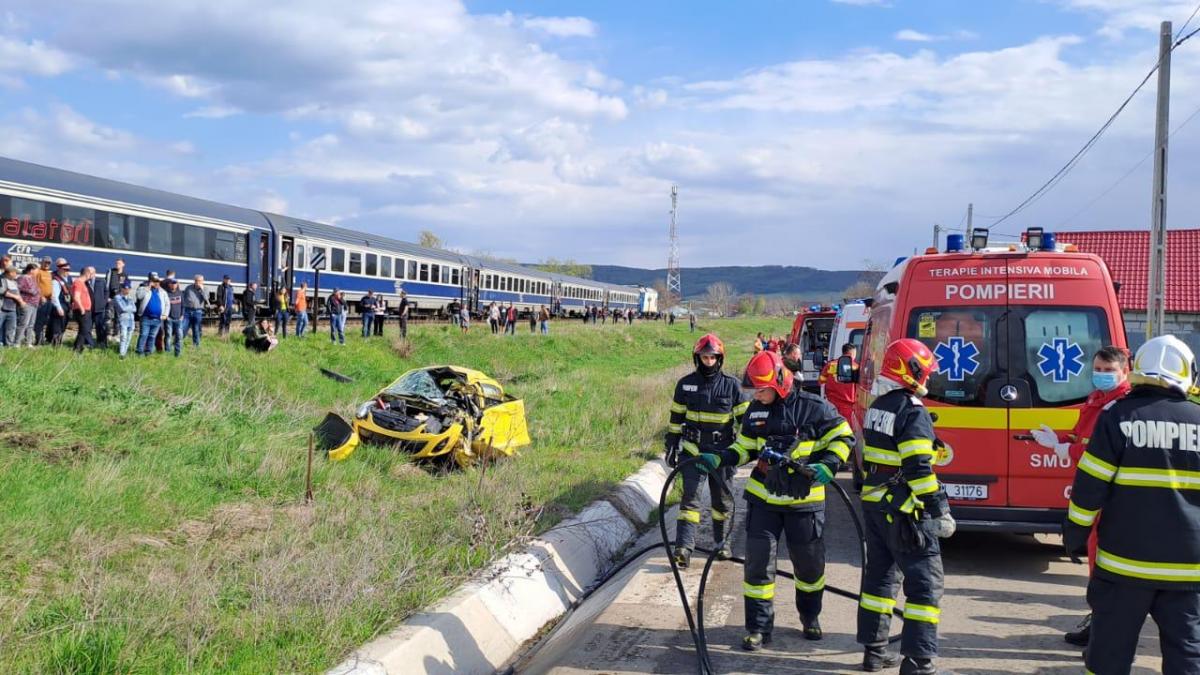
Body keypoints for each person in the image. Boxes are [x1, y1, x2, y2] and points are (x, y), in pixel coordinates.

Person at [695, 349, 853, 650]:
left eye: (762, 389)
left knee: (809, 569)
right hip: (763, 502)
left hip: (804, 503)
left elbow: (844, 437)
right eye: (754, 389)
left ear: (780, 382)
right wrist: (721, 458)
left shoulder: (815, 408)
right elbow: (745, 449)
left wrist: (830, 464)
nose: (757, 395)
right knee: (757, 568)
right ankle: (758, 628)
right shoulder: (755, 411)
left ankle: (810, 617)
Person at [1064, 335, 1200, 674]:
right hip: (1188, 569)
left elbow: (1089, 485)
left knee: (1109, 654)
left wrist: (1075, 535)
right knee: (1186, 656)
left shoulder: (1119, 416)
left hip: (1123, 566)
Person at [856, 339, 953, 674]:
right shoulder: (912, 411)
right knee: (925, 585)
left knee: (880, 581)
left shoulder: (879, 405)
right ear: (910, 370)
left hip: (875, 503)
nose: (928, 375)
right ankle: (918, 663)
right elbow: (918, 469)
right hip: (906, 511)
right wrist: (938, 508)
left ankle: (874, 652)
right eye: (924, 369)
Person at [1030, 345, 1131, 647]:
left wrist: (1065, 450)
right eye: (1098, 370)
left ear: (1125, 372)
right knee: (1095, 561)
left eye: (1108, 371)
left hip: (1109, 496)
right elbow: (1081, 436)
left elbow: (1101, 450)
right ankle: (1098, 620)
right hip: (1094, 491)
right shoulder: (1097, 399)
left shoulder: (1120, 406)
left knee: (1103, 563)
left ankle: (1102, 627)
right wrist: (1057, 440)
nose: (1101, 376)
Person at [665, 334, 750, 566]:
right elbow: (676, 417)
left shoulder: (732, 385)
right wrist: (671, 444)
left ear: (720, 358)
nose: (708, 360)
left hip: (721, 455)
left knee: (722, 502)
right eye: (704, 356)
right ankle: (683, 547)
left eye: (713, 357)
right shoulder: (685, 384)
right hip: (692, 451)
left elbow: (747, 422)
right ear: (697, 357)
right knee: (689, 501)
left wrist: (746, 449)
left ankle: (722, 545)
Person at [818, 343, 859, 422]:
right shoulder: (856, 367)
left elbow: (821, 381)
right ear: (851, 353)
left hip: (832, 404)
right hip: (848, 406)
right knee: (846, 429)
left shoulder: (830, 365)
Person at [135, 273, 169, 356]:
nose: (156, 283)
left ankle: (148, 352)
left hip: (157, 319)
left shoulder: (162, 292)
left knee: (152, 336)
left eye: (158, 281)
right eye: (154, 281)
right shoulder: (143, 288)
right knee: (143, 335)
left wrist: (165, 314)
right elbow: (139, 296)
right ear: (150, 281)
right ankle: (139, 352)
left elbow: (167, 304)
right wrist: (148, 287)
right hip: (146, 317)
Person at [70, 266, 96, 353]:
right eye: (91, 274)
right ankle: (77, 349)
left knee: (84, 330)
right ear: (87, 273)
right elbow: (76, 297)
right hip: (82, 310)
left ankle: (77, 347)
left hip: (86, 309)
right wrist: (82, 309)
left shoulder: (83, 283)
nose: (92, 276)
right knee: (85, 330)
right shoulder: (78, 282)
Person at [48, 259, 72, 346]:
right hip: (60, 306)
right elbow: (54, 296)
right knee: (57, 326)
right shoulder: (55, 279)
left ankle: (58, 342)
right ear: (60, 269)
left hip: (66, 305)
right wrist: (58, 307)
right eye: (66, 270)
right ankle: (55, 344)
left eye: (68, 270)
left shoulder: (68, 278)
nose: (68, 271)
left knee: (63, 326)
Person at [15, 263, 39, 347]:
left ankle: (28, 343)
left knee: (31, 324)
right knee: (23, 323)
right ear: (31, 270)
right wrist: (30, 291)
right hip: (27, 303)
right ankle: (17, 342)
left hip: (34, 304)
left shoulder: (33, 279)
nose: (37, 272)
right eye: (36, 270)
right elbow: (17, 288)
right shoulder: (22, 278)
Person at [181, 275, 207, 348]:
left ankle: (196, 345)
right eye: (197, 281)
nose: (198, 282)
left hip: (197, 311)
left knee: (196, 329)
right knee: (183, 327)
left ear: (202, 281)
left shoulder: (205, 289)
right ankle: (178, 343)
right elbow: (183, 298)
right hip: (187, 311)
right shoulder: (188, 288)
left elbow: (206, 299)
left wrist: (202, 290)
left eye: (200, 281)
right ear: (194, 281)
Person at [0, 266, 23, 346]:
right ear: (10, 273)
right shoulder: (2, 280)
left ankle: (8, 344)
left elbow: (18, 293)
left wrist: (20, 301)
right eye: (15, 273)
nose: (16, 275)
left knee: (11, 327)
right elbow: (2, 291)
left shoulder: (15, 282)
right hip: (2, 308)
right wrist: (15, 296)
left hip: (12, 309)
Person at [32, 257, 53, 344]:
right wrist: (40, 296)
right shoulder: (38, 272)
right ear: (42, 262)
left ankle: (42, 338)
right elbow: (35, 285)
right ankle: (38, 340)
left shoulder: (49, 274)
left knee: (45, 320)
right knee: (39, 320)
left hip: (49, 300)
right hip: (42, 300)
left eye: (49, 263)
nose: (47, 264)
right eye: (46, 262)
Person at [114, 281, 136, 358]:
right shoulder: (117, 297)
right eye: (126, 288)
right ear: (122, 288)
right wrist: (130, 308)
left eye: (129, 288)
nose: (128, 290)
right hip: (123, 319)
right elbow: (122, 308)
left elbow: (135, 309)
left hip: (131, 319)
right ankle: (121, 353)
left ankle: (125, 352)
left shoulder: (130, 298)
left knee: (129, 337)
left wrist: (129, 308)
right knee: (123, 337)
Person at [106, 258, 128, 337]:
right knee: (109, 317)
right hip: (111, 298)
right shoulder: (111, 272)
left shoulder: (125, 275)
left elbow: (126, 287)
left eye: (119, 263)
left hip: (120, 300)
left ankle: (116, 334)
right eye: (116, 263)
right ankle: (108, 334)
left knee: (118, 318)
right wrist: (107, 297)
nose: (117, 264)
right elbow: (107, 285)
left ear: (123, 264)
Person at [163, 277, 184, 356]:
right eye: (172, 283)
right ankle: (168, 352)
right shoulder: (166, 294)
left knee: (179, 336)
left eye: (175, 283)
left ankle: (178, 353)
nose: (173, 285)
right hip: (169, 319)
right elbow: (164, 306)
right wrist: (166, 316)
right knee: (168, 335)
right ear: (169, 285)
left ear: (177, 284)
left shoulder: (180, 293)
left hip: (179, 319)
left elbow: (183, 305)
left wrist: (182, 315)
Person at [89, 267, 109, 348]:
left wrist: (104, 302)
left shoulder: (101, 281)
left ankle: (101, 343)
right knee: (88, 327)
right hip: (89, 309)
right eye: (88, 272)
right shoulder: (86, 282)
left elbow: (106, 291)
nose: (90, 274)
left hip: (99, 308)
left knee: (100, 327)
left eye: (91, 273)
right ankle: (89, 343)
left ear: (94, 273)